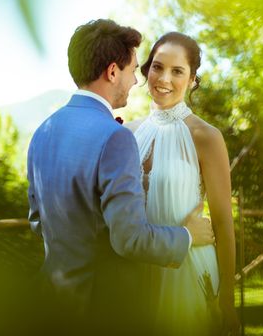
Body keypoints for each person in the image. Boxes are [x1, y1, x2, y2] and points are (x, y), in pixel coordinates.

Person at [26, 20, 215, 334]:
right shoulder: (116, 137)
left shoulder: (42, 132)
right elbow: (130, 239)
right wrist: (187, 236)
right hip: (104, 309)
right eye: (132, 71)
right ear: (112, 72)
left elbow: (37, 221)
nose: (136, 81)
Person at [126, 32, 240, 335]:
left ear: (191, 80)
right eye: (158, 67)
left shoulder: (206, 136)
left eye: (177, 71)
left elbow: (223, 222)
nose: (164, 78)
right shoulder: (129, 133)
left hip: (187, 272)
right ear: (147, 69)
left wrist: (226, 299)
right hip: (136, 274)